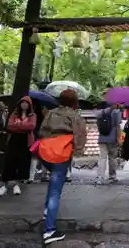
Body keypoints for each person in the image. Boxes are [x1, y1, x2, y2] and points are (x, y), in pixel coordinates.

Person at [38, 89, 86, 245]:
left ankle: (47, 212)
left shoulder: (50, 113)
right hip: (61, 154)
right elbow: (80, 135)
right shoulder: (75, 116)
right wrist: (77, 151)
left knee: (52, 184)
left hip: (46, 152)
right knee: (55, 192)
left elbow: (42, 131)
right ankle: (49, 231)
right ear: (74, 102)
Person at [0, 96, 36, 196]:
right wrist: (23, 127)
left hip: (25, 141)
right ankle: (4, 185)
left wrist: (18, 126)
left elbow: (31, 126)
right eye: (22, 102)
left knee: (21, 162)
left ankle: (17, 185)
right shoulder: (14, 114)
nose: (24, 104)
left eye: (26, 103)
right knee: (9, 161)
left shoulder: (32, 115)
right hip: (14, 139)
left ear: (29, 105)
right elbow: (10, 126)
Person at [95, 105, 121, 185]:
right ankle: (112, 177)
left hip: (102, 138)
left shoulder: (100, 112)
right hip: (112, 138)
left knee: (102, 157)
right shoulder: (116, 112)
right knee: (112, 157)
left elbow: (98, 125)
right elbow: (118, 126)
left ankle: (100, 178)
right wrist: (119, 138)